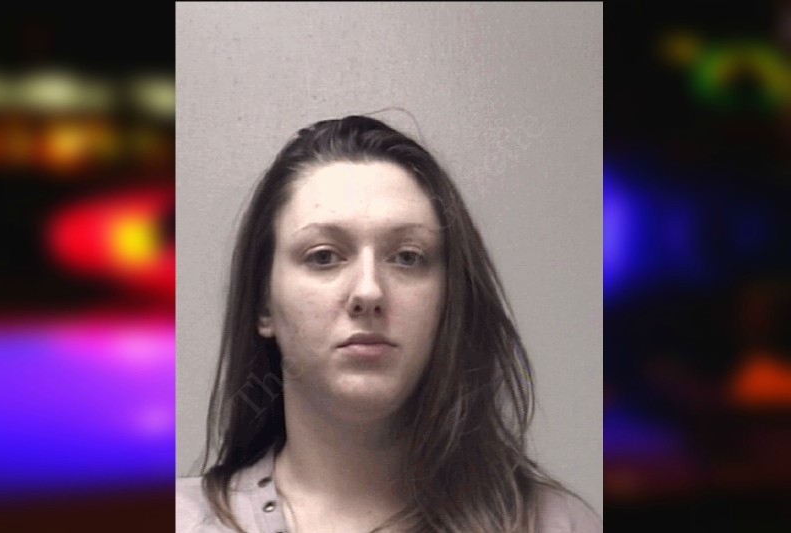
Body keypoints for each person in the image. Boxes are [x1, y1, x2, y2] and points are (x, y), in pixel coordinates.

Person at [176, 115, 602, 533]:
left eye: (407, 257)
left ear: (449, 299)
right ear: (263, 304)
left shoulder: (555, 525)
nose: (368, 291)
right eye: (323, 256)